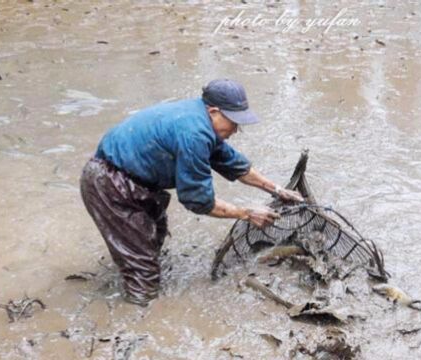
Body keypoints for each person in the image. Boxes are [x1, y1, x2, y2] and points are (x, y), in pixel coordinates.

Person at [80, 79, 303, 306]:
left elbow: (236, 165)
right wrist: (246, 213)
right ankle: (138, 315)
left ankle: (130, 272)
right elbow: (198, 200)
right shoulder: (195, 133)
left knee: (153, 236)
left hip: (135, 179)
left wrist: (276, 189)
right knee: (143, 268)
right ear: (214, 111)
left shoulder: (202, 120)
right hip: (109, 183)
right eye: (234, 122)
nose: (237, 129)